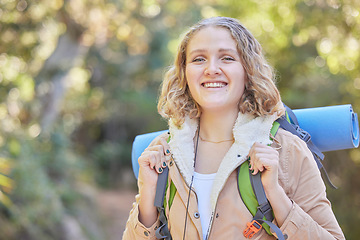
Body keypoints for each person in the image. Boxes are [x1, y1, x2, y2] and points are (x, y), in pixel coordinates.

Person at [122, 17, 345, 240]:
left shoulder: (286, 150)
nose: (211, 69)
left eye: (227, 58)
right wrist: (148, 198)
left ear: (247, 69)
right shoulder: (164, 151)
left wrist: (276, 195)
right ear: (184, 72)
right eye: (199, 59)